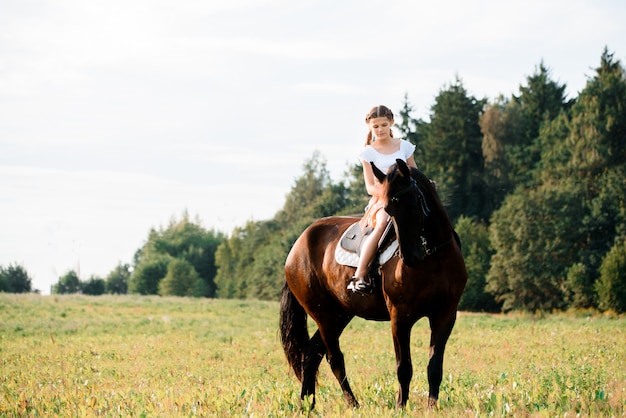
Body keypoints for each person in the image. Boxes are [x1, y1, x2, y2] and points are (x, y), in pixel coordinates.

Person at [347, 105, 417, 293]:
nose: (380, 130)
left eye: (384, 125)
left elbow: (414, 173)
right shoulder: (368, 152)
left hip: (407, 199)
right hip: (382, 201)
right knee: (383, 224)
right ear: (369, 126)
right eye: (376, 126)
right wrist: (389, 194)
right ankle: (360, 274)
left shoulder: (404, 146)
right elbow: (370, 187)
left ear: (391, 123)